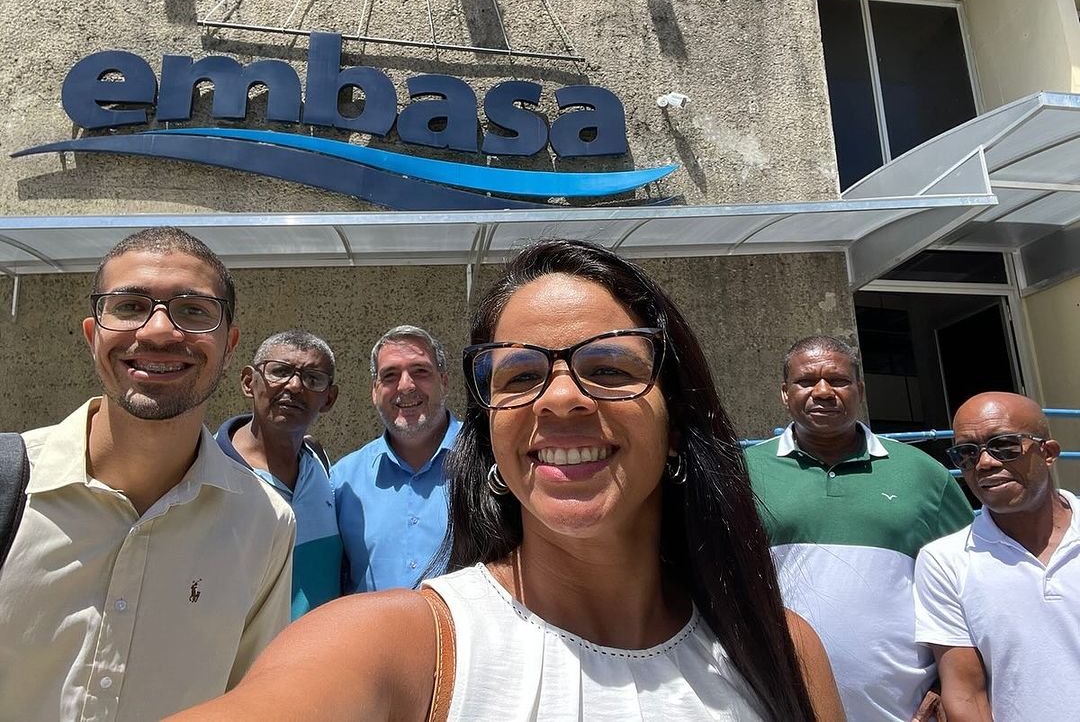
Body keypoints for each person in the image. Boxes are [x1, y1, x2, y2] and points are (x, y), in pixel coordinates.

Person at [170, 238, 843, 721]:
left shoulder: (784, 652)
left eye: (608, 369)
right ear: (491, 435)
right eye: (520, 376)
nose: (560, 399)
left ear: (676, 423)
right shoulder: (397, 646)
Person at [0, 227, 295, 720]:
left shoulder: (265, 525)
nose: (158, 331)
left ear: (228, 346)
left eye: (194, 310)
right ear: (93, 336)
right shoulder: (10, 483)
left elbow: (249, 704)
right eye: (130, 306)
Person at [745, 335, 972, 722]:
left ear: (860, 391)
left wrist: (951, 682)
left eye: (838, 380)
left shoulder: (923, 474)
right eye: (806, 381)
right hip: (776, 704)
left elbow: (968, 583)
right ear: (785, 393)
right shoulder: (742, 473)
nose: (823, 392)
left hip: (903, 709)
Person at [914, 391, 1079, 721]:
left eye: (1004, 445)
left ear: (1048, 453)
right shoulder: (945, 561)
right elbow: (965, 694)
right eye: (967, 453)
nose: (985, 463)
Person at [215, 329, 343, 619]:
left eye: (313, 378)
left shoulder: (319, 463)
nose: (295, 386)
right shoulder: (208, 472)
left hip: (324, 646)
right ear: (248, 382)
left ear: (329, 399)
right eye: (280, 371)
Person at [332, 325, 461, 592]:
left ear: (444, 381)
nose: (406, 385)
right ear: (374, 391)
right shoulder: (342, 481)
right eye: (390, 375)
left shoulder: (490, 459)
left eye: (420, 371)